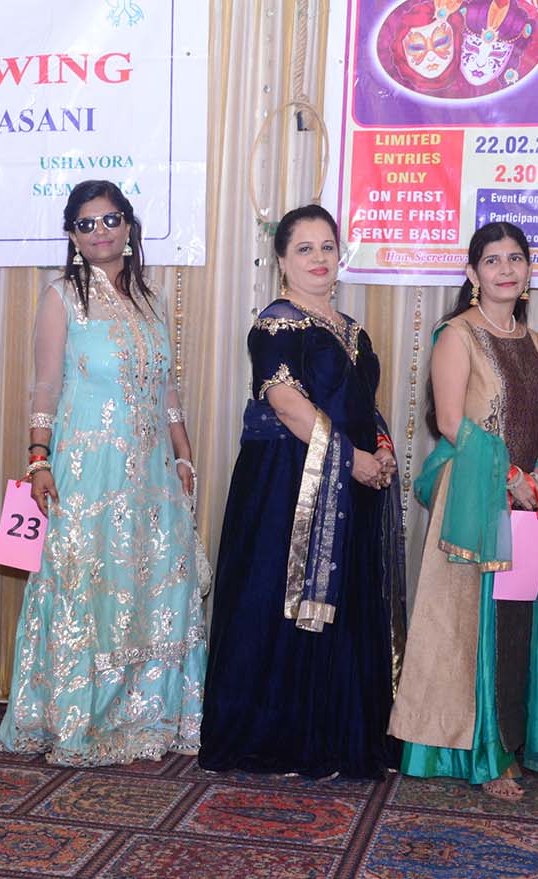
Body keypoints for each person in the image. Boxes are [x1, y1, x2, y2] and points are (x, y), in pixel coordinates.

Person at [0, 180, 208, 766]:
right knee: (85, 586)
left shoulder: (151, 298)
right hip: (87, 469)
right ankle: (74, 720)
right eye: (86, 224)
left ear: (129, 226)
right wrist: (38, 459)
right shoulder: (62, 297)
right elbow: (46, 386)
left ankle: (145, 713)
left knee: (152, 583)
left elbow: (166, 387)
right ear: (72, 235)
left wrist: (183, 453)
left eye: (110, 219)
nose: (100, 232)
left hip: (152, 475)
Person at [200, 204, 406, 780]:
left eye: (327, 247)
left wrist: (382, 449)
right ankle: (279, 740)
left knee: (346, 601)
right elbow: (287, 403)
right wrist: (352, 459)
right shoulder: (276, 325)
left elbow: (364, 408)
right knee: (280, 596)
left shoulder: (354, 331)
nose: (319, 259)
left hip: (350, 481)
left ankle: (338, 738)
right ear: (282, 261)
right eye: (305, 249)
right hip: (288, 484)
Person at [388, 222, 538, 797]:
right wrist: (511, 478)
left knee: (516, 618)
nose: (506, 269)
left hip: (528, 499)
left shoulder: (535, 341)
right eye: (492, 260)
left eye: (515, 258)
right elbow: (451, 423)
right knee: (473, 624)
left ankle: (512, 740)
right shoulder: (457, 335)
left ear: (528, 270)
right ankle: (480, 752)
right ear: (473, 273)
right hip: (477, 494)